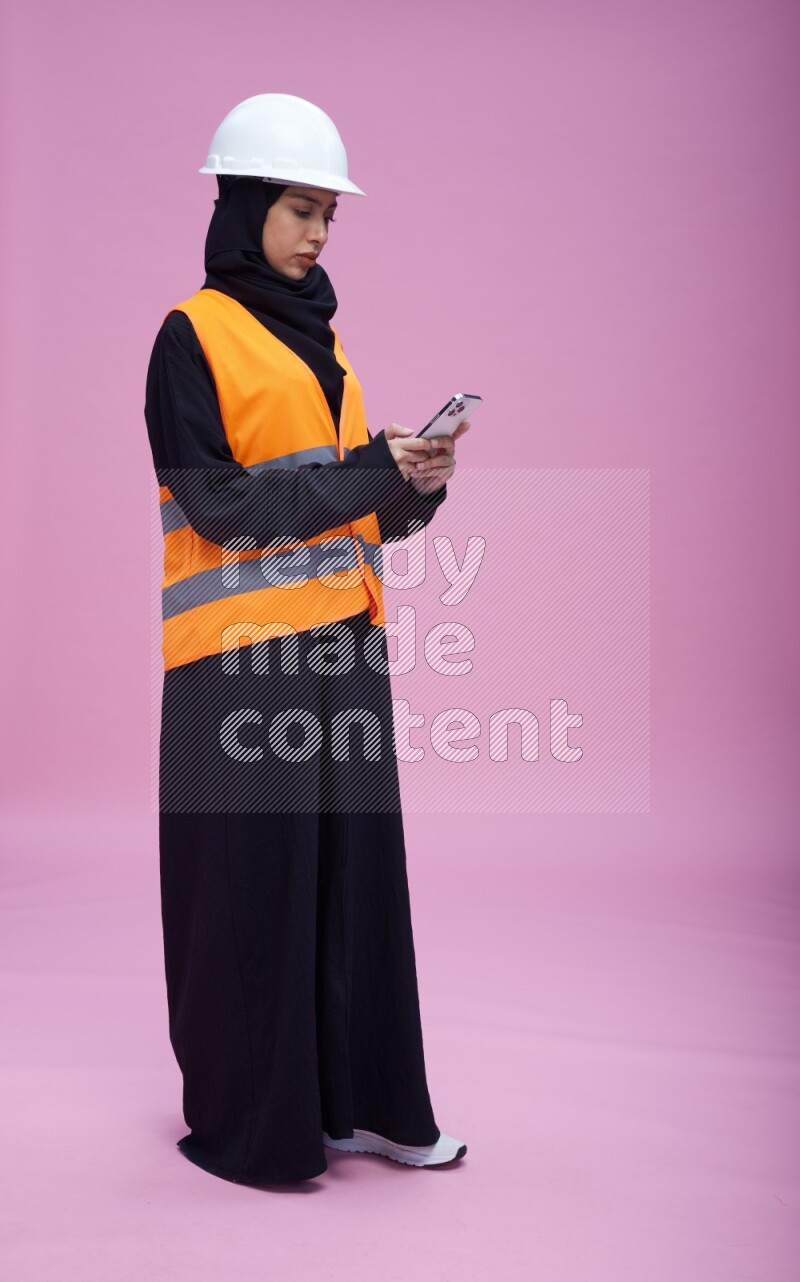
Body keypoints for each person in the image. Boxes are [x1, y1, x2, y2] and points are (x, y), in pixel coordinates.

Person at [144, 93, 469, 1185]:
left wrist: (412, 484)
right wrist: (360, 476)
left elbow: (347, 508)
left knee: (352, 880)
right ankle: (259, 1126)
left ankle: (363, 1106)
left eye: (329, 214)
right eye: (299, 209)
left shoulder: (324, 341)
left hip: (340, 645)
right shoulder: (191, 335)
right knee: (254, 889)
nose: (319, 233)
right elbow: (215, 505)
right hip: (237, 659)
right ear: (241, 206)